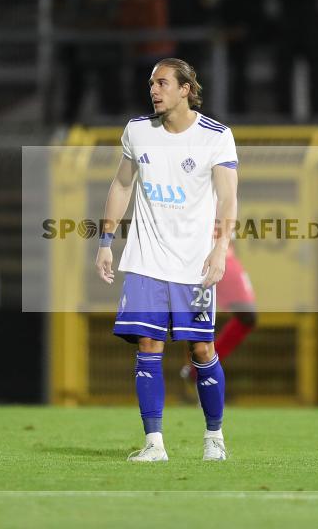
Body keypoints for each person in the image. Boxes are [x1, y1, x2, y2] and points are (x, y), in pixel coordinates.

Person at [95, 58, 238, 461]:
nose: (153, 90)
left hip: (194, 264)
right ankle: (154, 443)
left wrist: (221, 247)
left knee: (202, 350)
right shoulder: (138, 131)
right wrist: (106, 240)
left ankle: (214, 437)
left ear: (185, 90)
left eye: (161, 83)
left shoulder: (216, 137)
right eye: (151, 83)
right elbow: (122, 184)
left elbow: (228, 198)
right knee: (148, 342)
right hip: (146, 260)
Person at [180, 244, 257, 397]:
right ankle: (199, 371)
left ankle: (198, 370)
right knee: (196, 315)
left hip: (224, 253)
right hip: (202, 253)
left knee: (247, 317)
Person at [60, 0, 122, 120]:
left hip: (108, 54)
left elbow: (118, 23)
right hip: (82, 52)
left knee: (111, 87)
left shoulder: (116, 1)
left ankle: (113, 120)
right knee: (75, 87)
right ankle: (70, 121)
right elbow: (72, 21)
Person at [218, 0, 266, 115]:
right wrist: (227, 28)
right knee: (231, 73)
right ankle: (232, 108)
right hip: (230, 34)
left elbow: (256, 9)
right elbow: (224, 7)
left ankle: (243, 109)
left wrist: (246, 28)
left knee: (244, 73)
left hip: (249, 34)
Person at [118, 0, 175, 112]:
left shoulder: (156, 0)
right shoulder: (128, 2)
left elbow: (154, 23)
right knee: (139, 90)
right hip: (138, 52)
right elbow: (123, 22)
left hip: (157, 52)